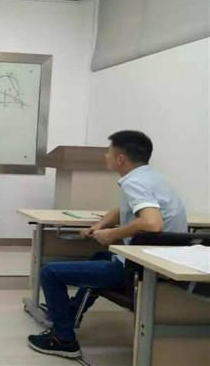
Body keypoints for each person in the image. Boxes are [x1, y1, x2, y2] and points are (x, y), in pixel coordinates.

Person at [27, 130, 187, 359]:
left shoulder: (135, 183)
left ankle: (63, 339)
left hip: (141, 270)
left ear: (120, 158)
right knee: (99, 257)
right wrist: (99, 226)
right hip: (162, 263)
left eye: (108, 152)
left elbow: (152, 222)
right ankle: (70, 314)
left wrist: (112, 234)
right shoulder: (151, 178)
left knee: (50, 272)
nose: (105, 156)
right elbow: (123, 210)